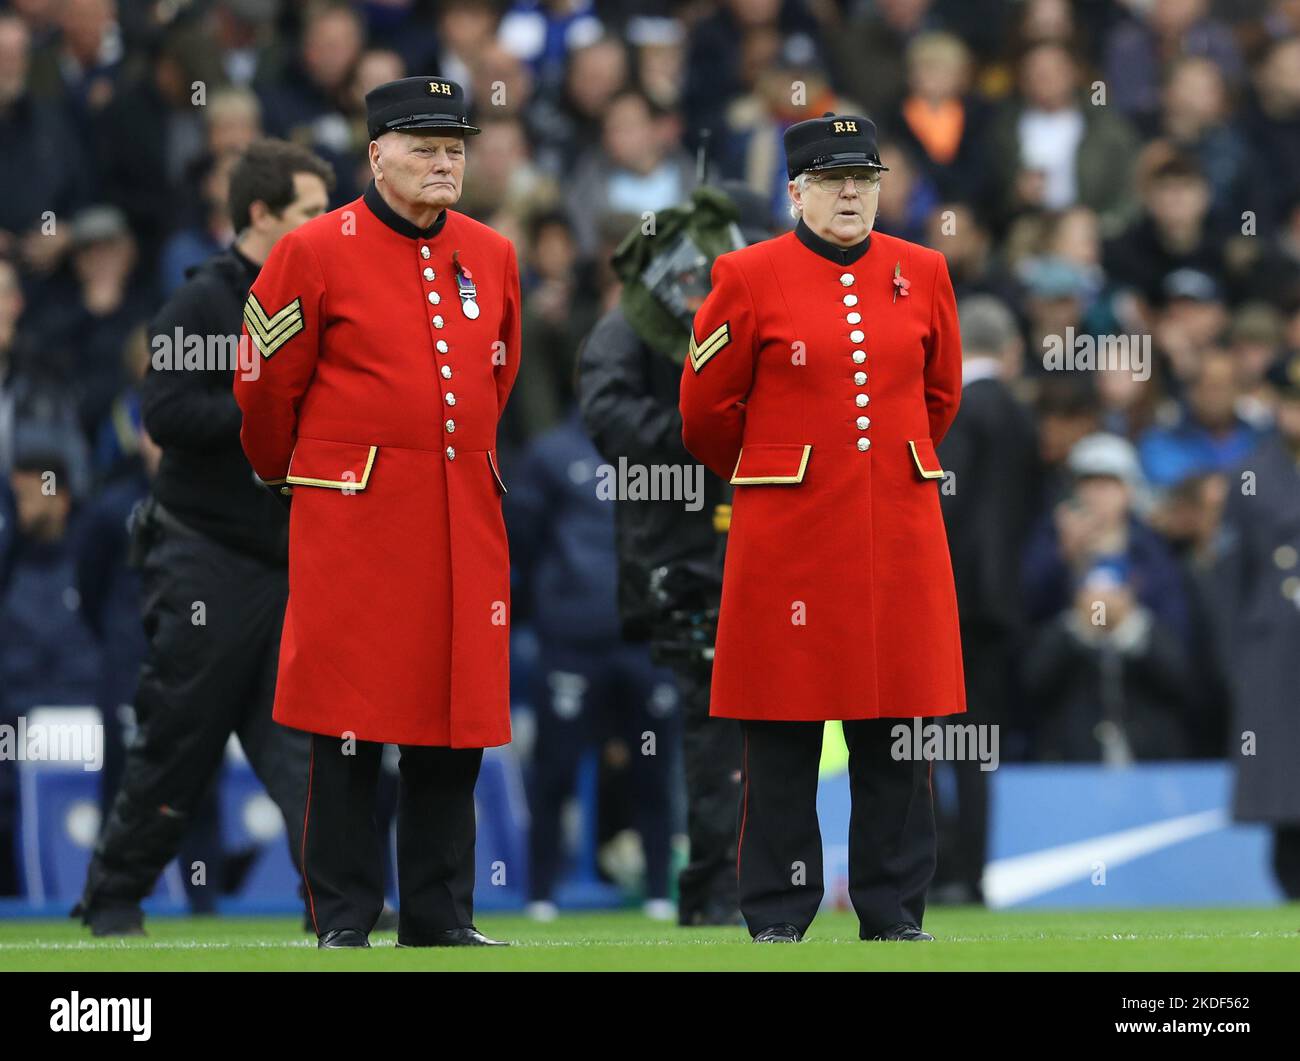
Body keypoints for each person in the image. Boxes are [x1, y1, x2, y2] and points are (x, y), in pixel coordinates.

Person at [233, 76, 520, 948]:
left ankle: (440, 916)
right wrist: (305, 477)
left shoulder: (492, 254)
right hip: (353, 522)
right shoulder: (313, 250)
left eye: (455, 148)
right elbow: (263, 384)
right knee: (347, 724)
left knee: (451, 723)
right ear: (376, 154)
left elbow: (495, 379)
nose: (444, 162)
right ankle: (345, 916)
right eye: (425, 147)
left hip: (459, 518)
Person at [679, 113, 965, 943]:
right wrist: (778, 470)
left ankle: (894, 915)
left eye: (865, 180)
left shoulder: (925, 271)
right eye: (834, 181)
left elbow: (939, 397)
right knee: (779, 739)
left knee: (898, 738)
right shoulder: (745, 274)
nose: (851, 194)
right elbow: (704, 414)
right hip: (789, 542)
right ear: (795, 190)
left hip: (898, 538)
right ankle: (776, 914)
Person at [72, 140, 333, 936]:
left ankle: (336, 899)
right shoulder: (200, 307)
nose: (325, 229)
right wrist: (270, 416)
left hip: (286, 556)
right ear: (259, 215)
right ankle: (113, 893)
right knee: (180, 731)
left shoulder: (323, 299)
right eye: (310, 214)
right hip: (203, 555)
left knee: (307, 743)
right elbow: (165, 415)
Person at [578, 184, 771, 926]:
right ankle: (714, 889)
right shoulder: (633, 325)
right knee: (714, 722)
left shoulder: (745, 311)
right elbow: (609, 417)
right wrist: (704, 427)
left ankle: (742, 884)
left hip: (750, 550)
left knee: (749, 728)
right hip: (683, 558)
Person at [1213, 350, 1300, 898]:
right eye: (1291, 401)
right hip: (1276, 650)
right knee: (1283, 780)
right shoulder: (1250, 475)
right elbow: (1227, 579)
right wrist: (1236, 663)